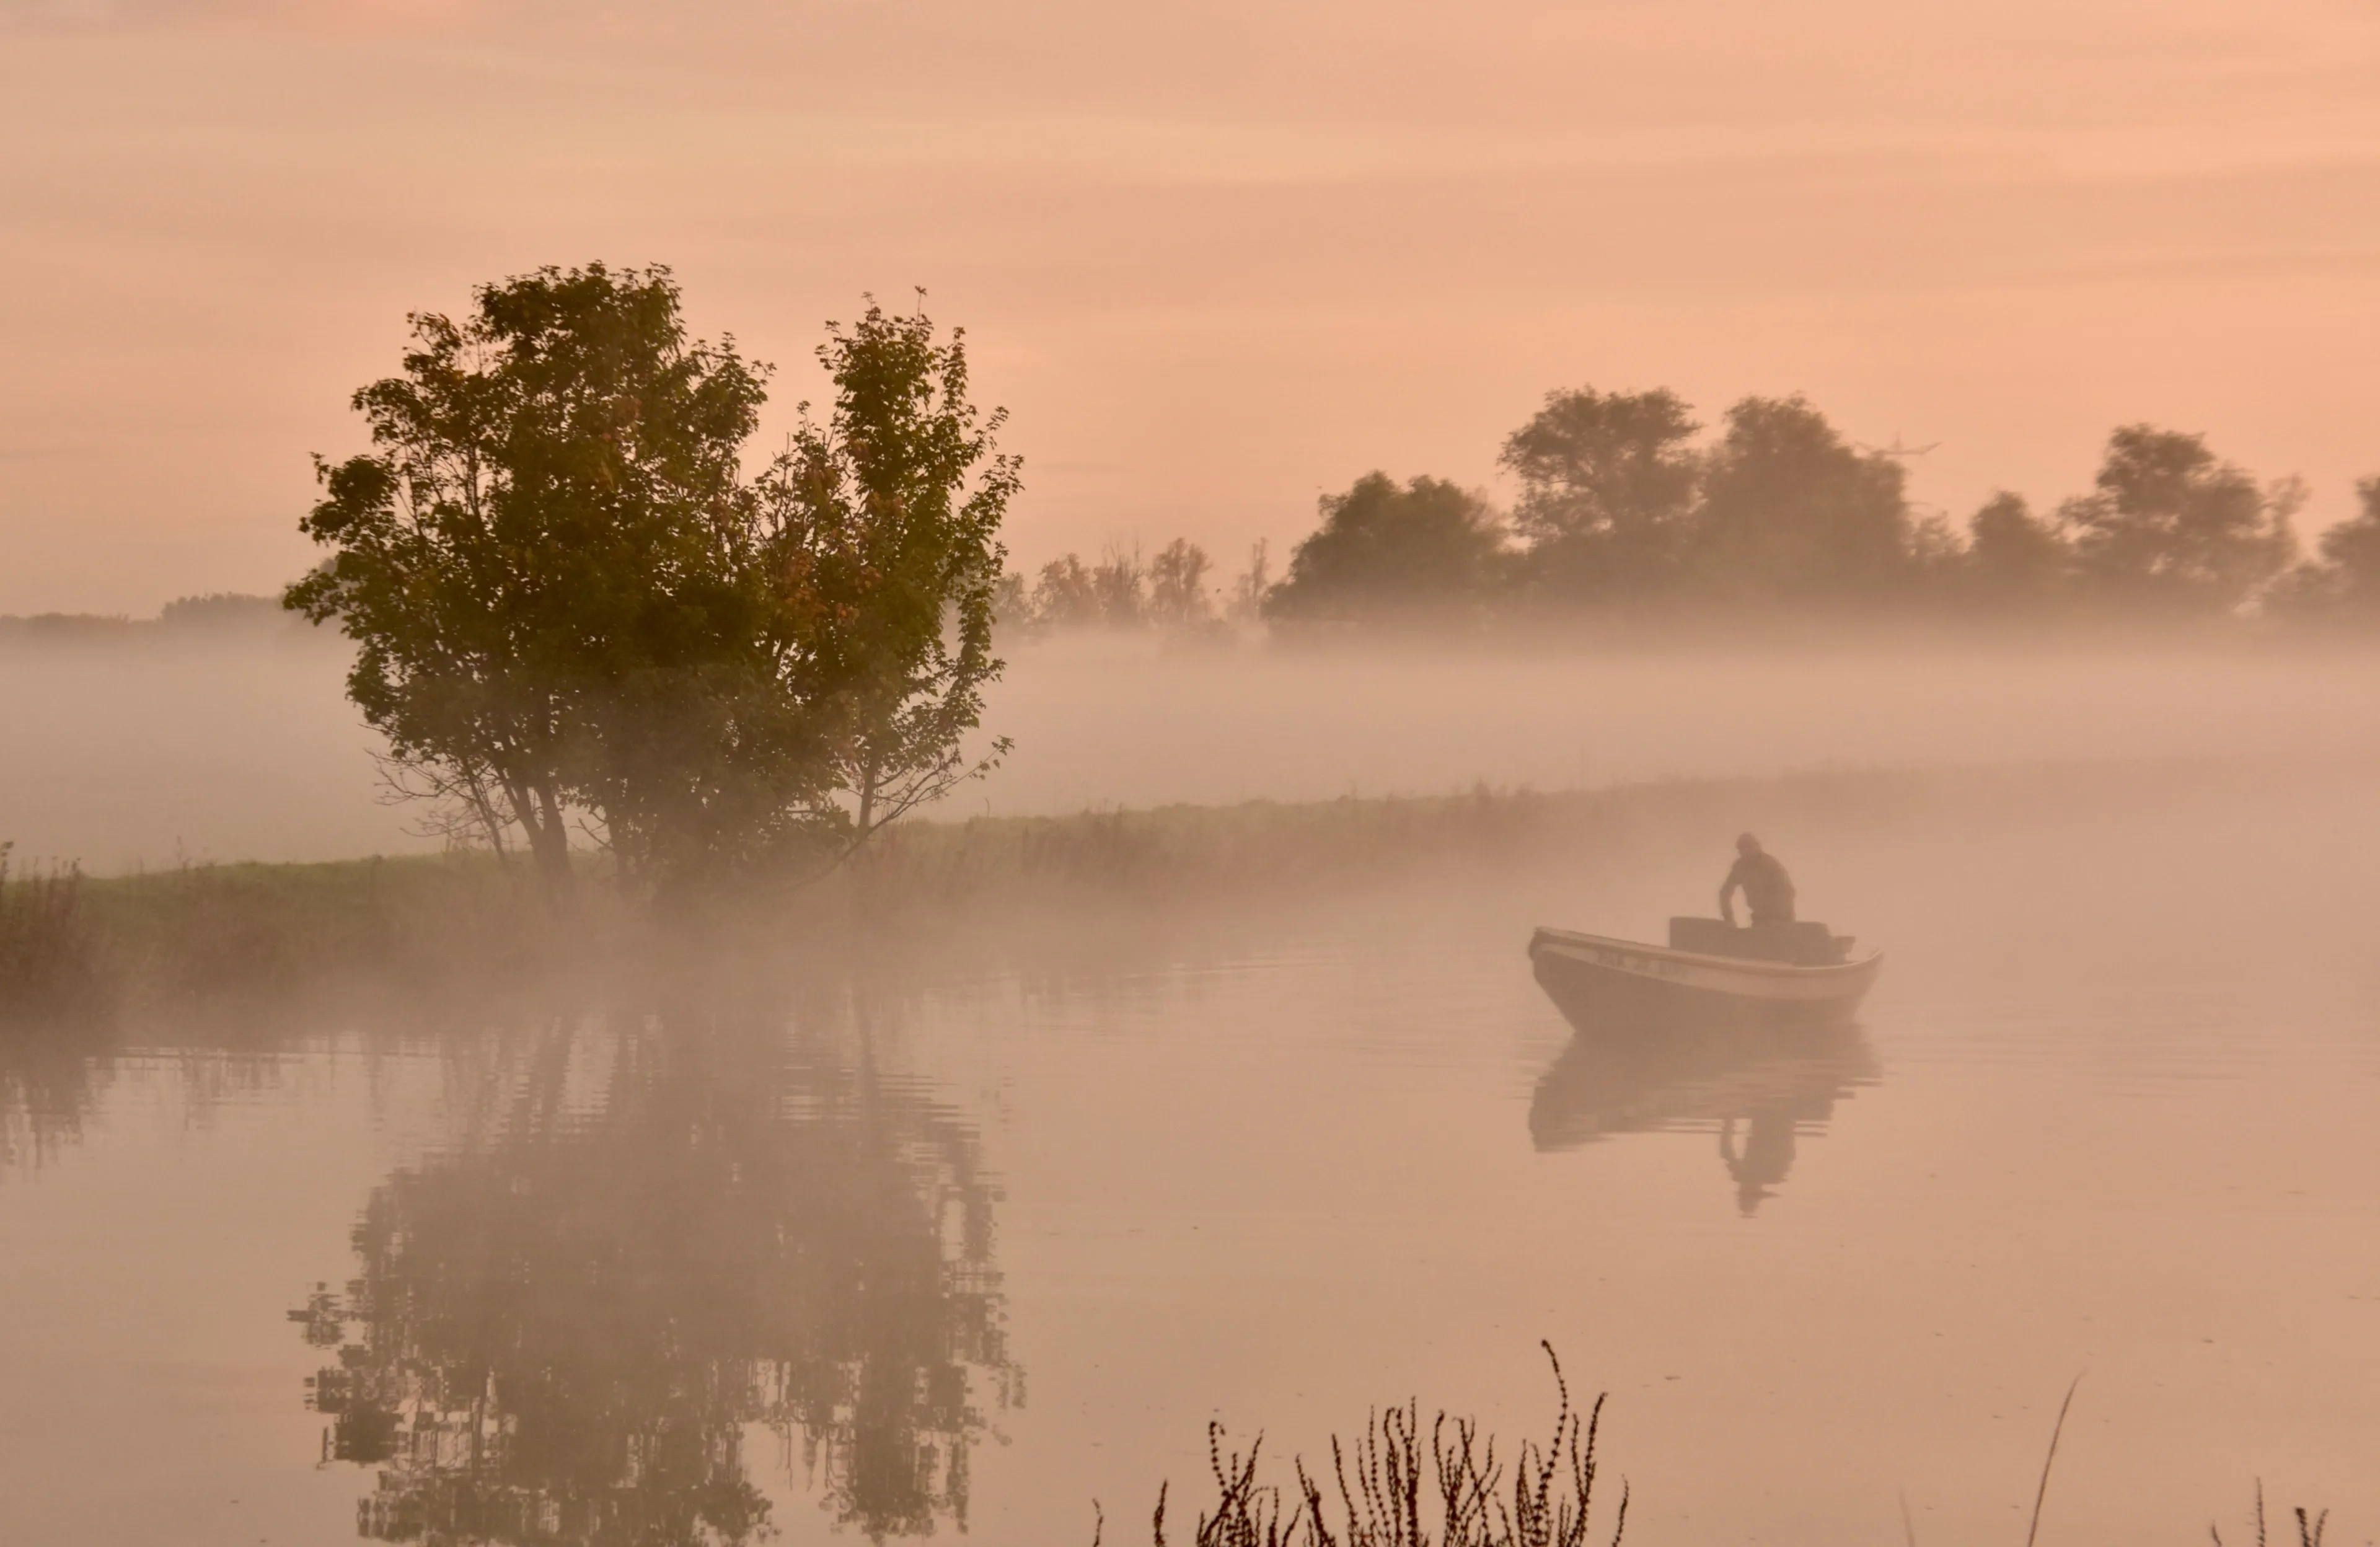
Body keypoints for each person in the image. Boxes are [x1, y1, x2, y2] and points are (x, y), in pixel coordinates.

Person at [1719, 832, 1795, 927]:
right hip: (1760, 917)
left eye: (1749, 847)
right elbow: (1725, 892)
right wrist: (1728, 917)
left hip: (1781, 918)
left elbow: (1787, 891)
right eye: (1742, 848)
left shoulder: (1770, 864)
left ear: (1757, 847)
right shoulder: (1740, 867)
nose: (1746, 851)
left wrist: (1779, 918)